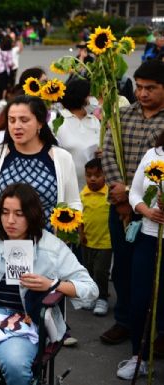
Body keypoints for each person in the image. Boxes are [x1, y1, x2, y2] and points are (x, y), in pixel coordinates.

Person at [0, 183, 98, 384]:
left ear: (31, 215)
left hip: (25, 320)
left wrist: (52, 284)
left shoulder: (52, 247)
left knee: (15, 363)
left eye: (19, 214)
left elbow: (90, 289)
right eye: (5, 213)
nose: (10, 220)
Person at [0, 95, 81, 261]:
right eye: (12, 120)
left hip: (46, 250)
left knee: (37, 286)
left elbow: (73, 203)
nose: (17, 126)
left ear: (40, 123)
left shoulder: (61, 158)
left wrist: (67, 233)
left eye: (24, 120)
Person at [101, 59, 164, 347]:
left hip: (156, 212)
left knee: (155, 273)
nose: (142, 94)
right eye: (138, 87)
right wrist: (121, 195)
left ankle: (155, 329)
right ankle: (125, 320)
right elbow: (108, 153)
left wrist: (130, 194)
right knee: (123, 266)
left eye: (150, 88)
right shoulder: (122, 116)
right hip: (121, 207)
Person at [119, 133, 164, 379]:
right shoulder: (153, 155)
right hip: (149, 237)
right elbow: (135, 193)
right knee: (140, 299)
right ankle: (139, 355)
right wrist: (146, 210)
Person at [55, 78, 101, 188]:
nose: (94, 99)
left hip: (93, 187)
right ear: (81, 98)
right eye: (90, 95)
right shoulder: (58, 121)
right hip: (67, 185)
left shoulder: (95, 121)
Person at [79, 158, 111, 316]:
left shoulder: (109, 194)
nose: (92, 178)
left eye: (97, 175)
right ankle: (92, 295)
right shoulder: (83, 194)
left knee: (100, 271)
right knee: (88, 270)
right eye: (88, 175)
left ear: (105, 175)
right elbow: (80, 218)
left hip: (105, 241)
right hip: (87, 241)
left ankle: (102, 298)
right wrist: (81, 234)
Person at [0, 35, 14, 103]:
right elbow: (10, 63)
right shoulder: (8, 52)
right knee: (4, 86)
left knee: (0, 85)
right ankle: (2, 99)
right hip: (3, 70)